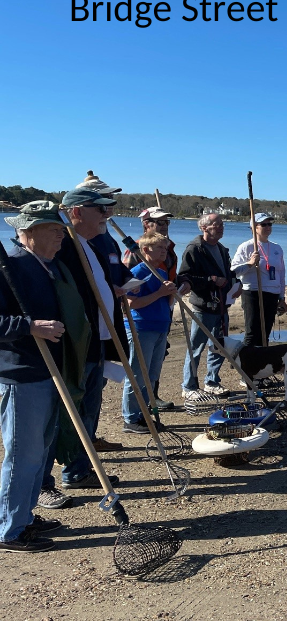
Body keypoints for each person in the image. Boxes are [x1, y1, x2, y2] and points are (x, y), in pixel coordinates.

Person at [0, 202, 89, 552]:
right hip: (22, 376)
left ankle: (23, 515)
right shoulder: (12, 266)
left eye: (60, 227)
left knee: (38, 455)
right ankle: (9, 529)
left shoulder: (49, 267)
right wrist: (28, 326)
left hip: (53, 372)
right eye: (51, 227)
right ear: (28, 232)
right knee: (23, 454)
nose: (60, 234)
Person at [41, 185, 128, 499]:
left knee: (89, 412)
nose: (106, 214)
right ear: (76, 212)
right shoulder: (63, 245)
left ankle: (77, 471)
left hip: (97, 343)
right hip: (73, 347)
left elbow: (106, 283)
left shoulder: (92, 243)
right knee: (62, 416)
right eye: (100, 209)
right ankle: (43, 484)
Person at [120, 232, 176, 434]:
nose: (164, 251)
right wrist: (160, 293)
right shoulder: (137, 273)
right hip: (141, 327)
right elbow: (130, 303)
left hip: (160, 326)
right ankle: (131, 417)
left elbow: (166, 301)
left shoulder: (160, 272)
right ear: (145, 250)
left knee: (152, 375)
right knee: (137, 373)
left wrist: (170, 293)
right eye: (160, 247)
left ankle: (144, 412)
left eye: (165, 248)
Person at [177, 213, 234, 397]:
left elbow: (229, 273)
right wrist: (211, 280)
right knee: (196, 346)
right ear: (204, 228)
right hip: (203, 306)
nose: (221, 227)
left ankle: (212, 381)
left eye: (222, 224)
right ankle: (189, 386)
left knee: (219, 345)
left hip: (222, 305)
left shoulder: (222, 249)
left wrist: (235, 284)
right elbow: (185, 277)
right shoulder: (195, 249)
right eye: (217, 224)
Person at [231, 213, 286, 348]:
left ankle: (260, 364)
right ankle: (244, 363)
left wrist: (282, 297)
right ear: (254, 227)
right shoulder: (246, 247)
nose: (268, 227)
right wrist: (250, 263)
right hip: (253, 293)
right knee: (252, 332)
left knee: (265, 333)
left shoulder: (277, 248)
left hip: (272, 294)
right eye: (264, 224)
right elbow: (233, 271)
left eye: (270, 224)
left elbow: (281, 274)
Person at [125, 207, 178, 277]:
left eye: (166, 222)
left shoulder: (169, 248)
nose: (165, 226)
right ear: (146, 224)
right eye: (161, 222)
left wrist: (184, 281)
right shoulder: (135, 249)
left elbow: (172, 277)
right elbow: (126, 279)